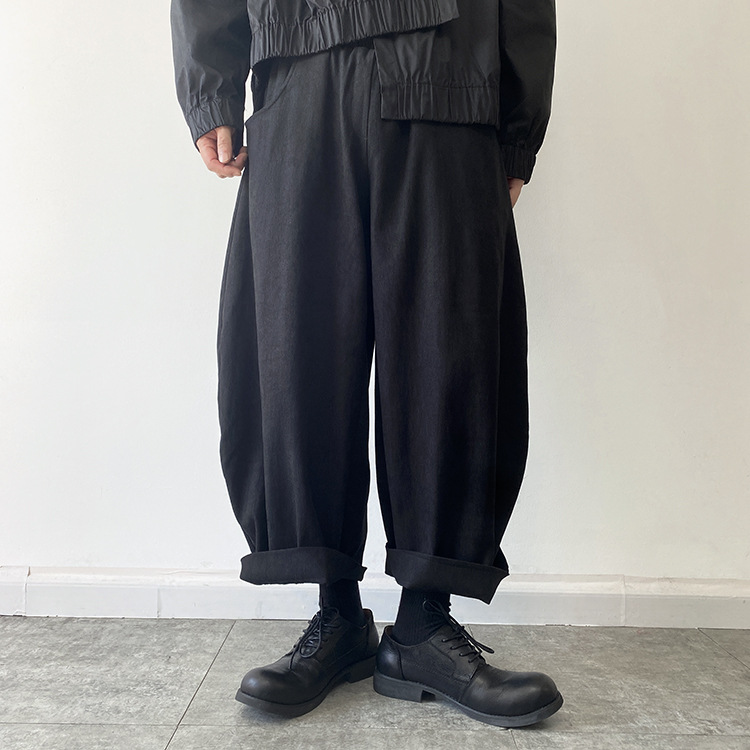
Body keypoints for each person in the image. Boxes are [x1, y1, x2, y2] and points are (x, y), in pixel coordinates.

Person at [170, 0, 561, 729]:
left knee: (453, 356)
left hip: (449, 75)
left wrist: (517, 127)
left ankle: (422, 627)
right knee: (296, 356)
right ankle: (337, 616)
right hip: (300, 78)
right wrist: (209, 86)